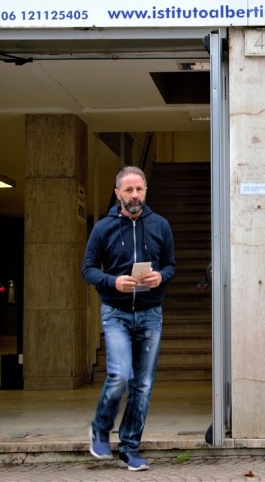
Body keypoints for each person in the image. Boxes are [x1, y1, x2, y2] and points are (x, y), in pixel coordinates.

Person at [81, 166, 176, 471]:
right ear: (117, 193)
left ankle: (129, 447)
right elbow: (88, 269)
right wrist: (112, 282)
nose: (135, 196)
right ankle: (99, 429)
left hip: (150, 314)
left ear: (146, 191)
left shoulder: (160, 225)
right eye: (129, 190)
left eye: (140, 190)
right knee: (121, 375)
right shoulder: (102, 228)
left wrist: (160, 277)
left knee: (143, 384)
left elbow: (172, 265)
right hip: (116, 313)